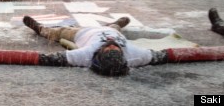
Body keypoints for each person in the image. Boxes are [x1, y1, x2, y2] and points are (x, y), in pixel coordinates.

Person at [21, 15, 152, 76]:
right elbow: (165, 55)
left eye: (108, 49)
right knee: (115, 27)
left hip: (80, 33)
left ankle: (40, 28)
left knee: (56, 32)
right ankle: (117, 23)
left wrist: (2, 56)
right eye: (116, 49)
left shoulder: (85, 55)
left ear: (99, 53)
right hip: (113, 31)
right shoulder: (134, 56)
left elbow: (46, 58)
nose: (112, 45)